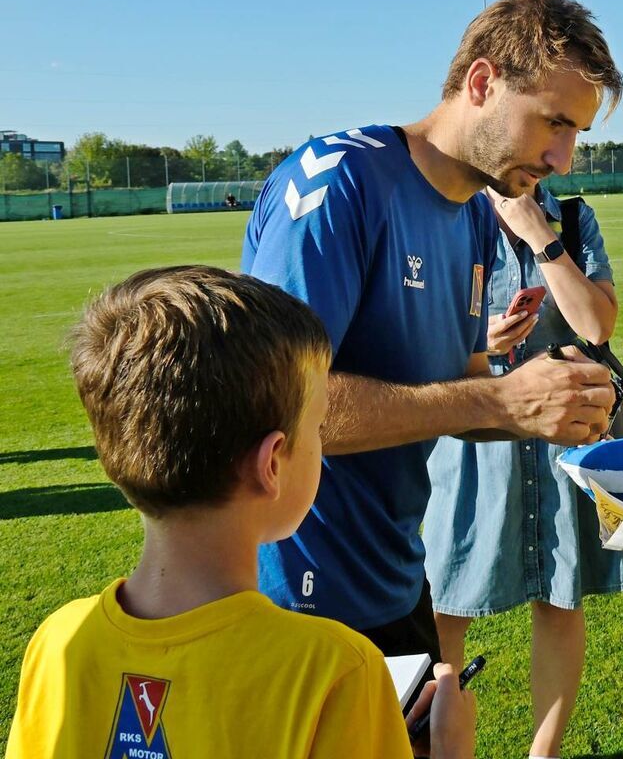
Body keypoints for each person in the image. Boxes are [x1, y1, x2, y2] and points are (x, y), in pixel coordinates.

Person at [240, 0, 623, 661]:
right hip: (297, 601)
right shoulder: (341, 183)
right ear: (482, 82)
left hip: (396, 578)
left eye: (578, 134)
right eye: (554, 121)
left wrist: (540, 404)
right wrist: (500, 397)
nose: (562, 158)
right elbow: (276, 409)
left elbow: (461, 390)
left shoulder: (476, 215)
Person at [4, 265, 474, 759]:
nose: (319, 444)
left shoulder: (57, 641)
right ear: (271, 463)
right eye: (316, 428)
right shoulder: (336, 669)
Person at [424, 183, 623, 759]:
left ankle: (543, 753)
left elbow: (595, 326)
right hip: (475, 437)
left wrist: (539, 234)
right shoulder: (445, 219)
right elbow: (419, 339)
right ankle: (434, 741)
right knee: (443, 600)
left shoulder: (570, 218)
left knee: (560, 597)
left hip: (561, 439)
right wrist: (483, 339)